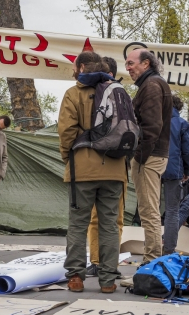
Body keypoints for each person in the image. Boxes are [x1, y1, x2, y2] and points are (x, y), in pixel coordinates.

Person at [59, 52, 126, 294]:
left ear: (82, 66)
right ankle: (108, 279)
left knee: (78, 223)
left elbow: (66, 131)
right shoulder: (118, 91)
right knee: (109, 224)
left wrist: (69, 158)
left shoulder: (73, 94)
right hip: (116, 169)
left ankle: (76, 277)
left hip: (83, 168)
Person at [125, 48, 172, 263]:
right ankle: (151, 260)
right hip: (153, 155)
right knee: (148, 210)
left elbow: (151, 127)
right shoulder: (152, 84)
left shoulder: (151, 85)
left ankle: (151, 262)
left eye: (131, 63)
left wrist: (140, 157)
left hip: (149, 156)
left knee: (149, 211)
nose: (128, 67)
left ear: (146, 64)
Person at [86, 56, 128, 277]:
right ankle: (109, 265)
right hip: (117, 166)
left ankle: (96, 261)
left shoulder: (86, 94)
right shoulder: (121, 93)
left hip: (92, 165)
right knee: (114, 220)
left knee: (95, 219)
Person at [161, 95, 189, 255]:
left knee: (150, 211)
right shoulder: (182, 124)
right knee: (172, 211)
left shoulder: (153, 121)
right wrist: (187, 171)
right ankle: (168, 250)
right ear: (179, 108)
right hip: (173, 170)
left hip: (151, 168)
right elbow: (188, 151)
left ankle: (151, 248)